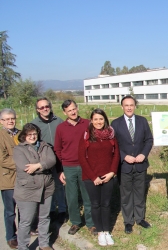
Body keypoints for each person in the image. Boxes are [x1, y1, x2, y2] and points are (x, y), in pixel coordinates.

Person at [111, 96, 153, 234]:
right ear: (122, 107)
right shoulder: (115, 124)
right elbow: (113, 145)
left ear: (135, 106)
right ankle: (128, 221)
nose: (129, 107)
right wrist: (124, 156)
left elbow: (149, 140)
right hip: (124, 166)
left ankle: (140, 218)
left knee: (140, 193)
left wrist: (143, 154)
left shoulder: (142, 121)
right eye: (126, 105)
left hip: (140, 165)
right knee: (126, 194)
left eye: (131, 105)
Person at [78, 109, 120, 246]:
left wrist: (112, 172)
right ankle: (100, 232)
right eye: (95, 119)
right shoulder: (86, 136)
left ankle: (107, 231)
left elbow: (116, 155)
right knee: (95, 204)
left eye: (101, 119)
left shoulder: (111, 135)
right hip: (91, 178)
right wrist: (93, 177)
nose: (98, 122)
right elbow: (82, 158)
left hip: (108, 176)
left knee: (106, 204)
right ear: (91, 120)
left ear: (105, 120)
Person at [54, 100, 95, 235]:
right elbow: (58, 149)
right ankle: (76, 222)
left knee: (87, 195)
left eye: (73, 109)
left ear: (77, 108)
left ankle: (90, 223)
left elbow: (93, 143)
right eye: (69, 110)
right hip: (69, 166)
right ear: (64, 113)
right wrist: (60, 170)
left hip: (85, 165)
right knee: (71, 197)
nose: (72, 112)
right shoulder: (61, 128)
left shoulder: (87, 124)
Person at [13, 123, 56, 250]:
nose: (32, 136)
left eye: (34, 134)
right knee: (26, 221)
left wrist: (37, 165)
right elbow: (26, 167)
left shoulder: (45, 146)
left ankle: (44, 243)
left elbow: (52, 161)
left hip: (46, 187)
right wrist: (44, 165)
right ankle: (23, 246)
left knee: (44, 217)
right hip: (27, 190)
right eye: (29, 134)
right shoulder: (19, 149)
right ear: (24, 136)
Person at [31, 97, 67, 223]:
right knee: (47, 186)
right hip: (44, 160)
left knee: (59, 185)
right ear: (37, 110)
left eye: (47, 106)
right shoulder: (35, 124)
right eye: (42, 107)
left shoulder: (59, 121)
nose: (45, 109)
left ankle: (62, 209)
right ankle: (51, 210)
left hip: (59, 159)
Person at [0, 108, 20, 249]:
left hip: (23, 179)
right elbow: (2, 159)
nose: (10, 121)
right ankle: (11, 236)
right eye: (7, 119)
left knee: (24, 208)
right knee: (10, 211)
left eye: (12, 118)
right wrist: (22, 163)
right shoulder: (0, 135)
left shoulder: (20, 134)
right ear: (1, 121)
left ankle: (26, 230)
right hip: (8, 179)